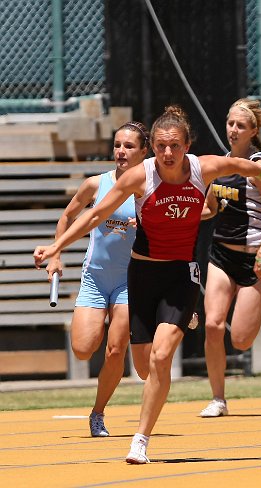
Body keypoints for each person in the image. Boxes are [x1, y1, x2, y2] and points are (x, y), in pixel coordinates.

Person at [34, 105, 261, 464]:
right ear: (153, 147)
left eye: (175, 146)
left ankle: (140, 439)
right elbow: (95, 213)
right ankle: (182, 321)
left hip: (181, 274)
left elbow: (242, 166)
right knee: (145, 367)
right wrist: (56, 246)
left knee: (163, 356)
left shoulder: (203, 168)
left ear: (187, 145)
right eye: (162, 146)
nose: (168, 153)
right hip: (142, 275)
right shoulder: (140, 177)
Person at [45, 122, 149, 437]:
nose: (121, 151)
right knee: (82, 348)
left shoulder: (150, 188)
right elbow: (67, 216)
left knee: (116, 350)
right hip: (95, 278)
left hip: (129, 280)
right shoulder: (96, 184)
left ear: (143, 151)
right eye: (118, 145)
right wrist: (56, 255)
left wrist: (144, 223)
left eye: (129, 146)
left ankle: (98, 413)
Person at [199, 99, 261, 418]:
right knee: (212, 325)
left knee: (239, 340)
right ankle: (218, 398)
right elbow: (210, 208)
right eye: (230, 123)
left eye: (240, 125)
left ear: (253, 131)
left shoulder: (258, 167)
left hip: (253, 260)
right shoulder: (222, 165)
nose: (233, 130)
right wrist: (184, 213)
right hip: (221, 254)